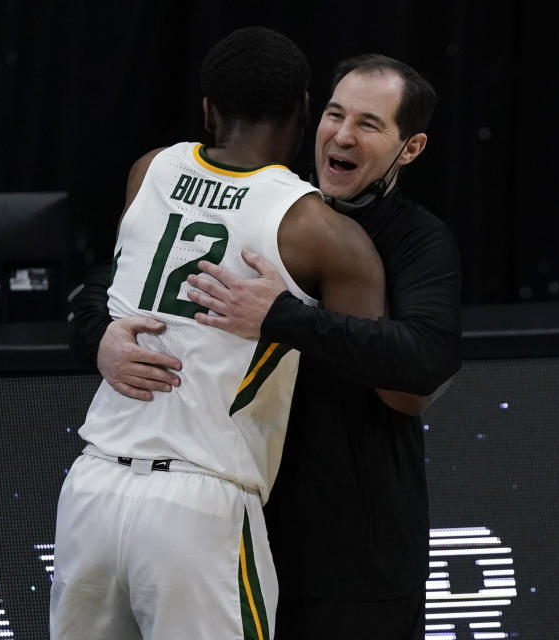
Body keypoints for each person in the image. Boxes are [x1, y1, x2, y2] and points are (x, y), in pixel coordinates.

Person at [51, 28, 390, 640]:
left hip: (91, 489)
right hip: (201, 505)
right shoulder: (318, 229)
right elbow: (389, 374)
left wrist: (97, 335)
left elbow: (115, 278)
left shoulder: (149, 171)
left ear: (208, 109)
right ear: (305, 110)